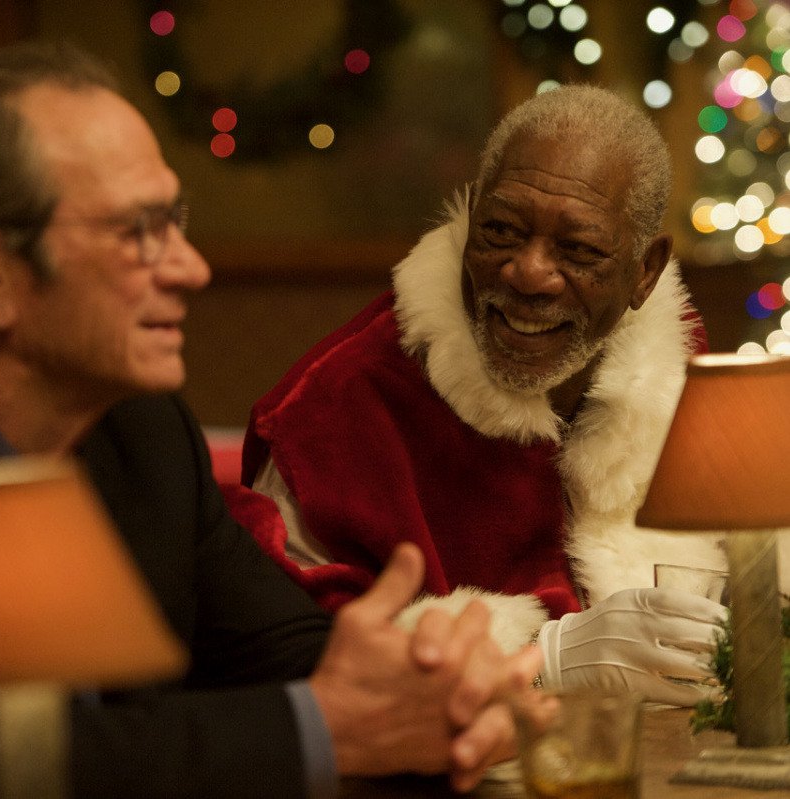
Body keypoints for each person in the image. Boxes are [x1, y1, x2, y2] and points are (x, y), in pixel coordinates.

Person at [0, 41, 542, 799]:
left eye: (176, 222)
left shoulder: (142, 431)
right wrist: (327, 727)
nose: (191, 268)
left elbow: (276, 651)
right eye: (138, 231)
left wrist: (427, 686)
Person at [228, 84, 737, 707]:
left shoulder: (681, 381)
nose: (528, 272)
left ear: (645, 273)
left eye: (578, 249)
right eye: (500, 230)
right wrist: (536, 662)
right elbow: (286, 665)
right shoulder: (332, 411)